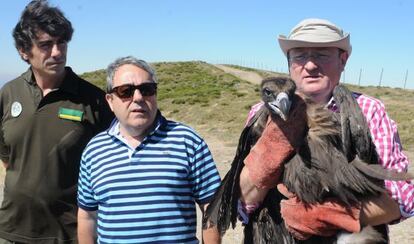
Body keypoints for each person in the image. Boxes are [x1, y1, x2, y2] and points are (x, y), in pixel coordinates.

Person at [239, 18, 413, 241]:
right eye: (300, 55)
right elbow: (239, 203)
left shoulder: (369, 111)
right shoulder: (259, 115)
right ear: (289, 62)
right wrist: (263, 168)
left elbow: (404, 198)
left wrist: (331, 215)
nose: (310, 65)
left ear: (343, 60)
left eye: (321, 54)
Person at [0, 0, 114, 243]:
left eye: (61, 42)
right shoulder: (8, 94)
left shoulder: (93, 100)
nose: (57, 52)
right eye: (46, 45)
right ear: (24, 51)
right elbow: (7, 157)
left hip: (71, 233)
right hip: (12, 230)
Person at [77, 56, 222, 244]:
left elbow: (212, 206)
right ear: (110, 101)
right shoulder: (94, 150)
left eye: (146, 90)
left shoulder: (187, 141)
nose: (138, 98)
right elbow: (87, 216)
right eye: (126, 91)